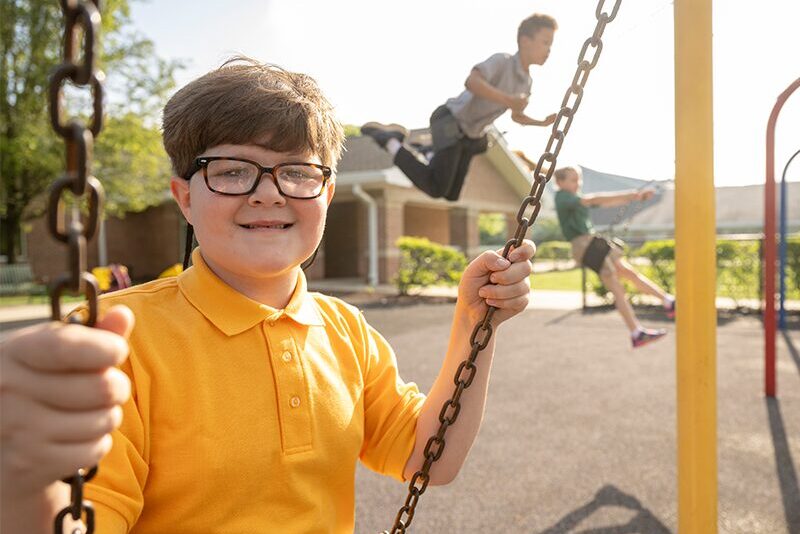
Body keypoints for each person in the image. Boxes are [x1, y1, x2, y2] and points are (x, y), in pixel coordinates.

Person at [0, 58, 535, 534]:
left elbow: (429, 458)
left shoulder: (346, 330)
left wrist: (473, 326)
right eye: (232, 170)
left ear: (325, 194)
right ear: (185, 197)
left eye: (297, 173)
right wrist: (23, 481)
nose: (268, 191)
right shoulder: (117, 339)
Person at [360, 13, 558, 201]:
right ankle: (390, 142)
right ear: (525, 41)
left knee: (452, 194)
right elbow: (472, 82)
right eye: (545, 42)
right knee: (437, 188)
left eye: (551, 45)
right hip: (450, 120)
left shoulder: (526, 82)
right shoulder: (502, 61)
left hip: (468, 135)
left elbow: (517, 115)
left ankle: (429, 150)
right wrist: (508, 99)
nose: (549, 50)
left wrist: (541, 122)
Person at [552, 165, 675, 348]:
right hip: (582, 244)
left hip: (592, 241)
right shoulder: (562, 196)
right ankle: (636, 331)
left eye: (579, 179)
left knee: (626, 271)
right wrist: (633, 195)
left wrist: (634, 197)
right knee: (615, 285)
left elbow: (602, 202)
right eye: (573, 180)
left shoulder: (573, 198)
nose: (578, 183)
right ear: (560, 182)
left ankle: (667, 301)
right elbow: (593, 199)